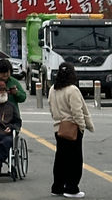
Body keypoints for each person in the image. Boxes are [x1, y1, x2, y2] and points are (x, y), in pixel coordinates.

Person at [48, 61, 94, 198]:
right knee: (75, 160)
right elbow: (77, 112)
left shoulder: (53, 89)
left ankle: (57, 187)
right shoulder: (72, 90)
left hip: (58, 127)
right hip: (72, 128)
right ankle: (71, 188)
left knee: (61, 159)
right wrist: (82, 126)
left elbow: (51, 109)